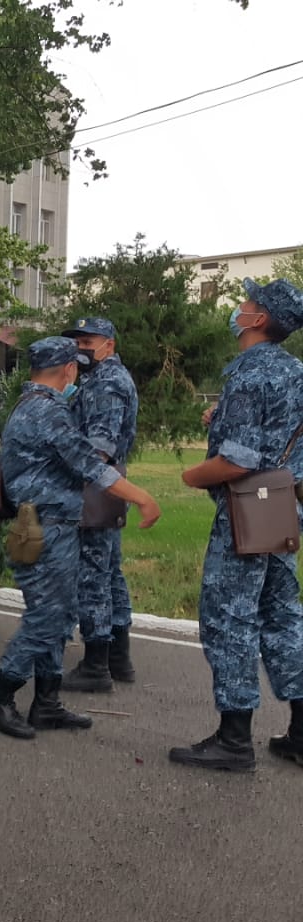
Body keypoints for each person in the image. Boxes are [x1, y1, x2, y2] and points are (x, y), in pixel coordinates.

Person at [0, 337, 160, 739]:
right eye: (75, 367)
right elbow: (89, 465)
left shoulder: (35, 407)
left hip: (53, 526)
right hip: (46, 529)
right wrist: (142, 498)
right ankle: (0, 697)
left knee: (60, 617)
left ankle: (47, 703)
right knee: (45, 619)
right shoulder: (47, 413)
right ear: (68, 370)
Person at [170, 278, 303, 772]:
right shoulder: (295, 371)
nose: (238, 309)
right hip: (285, 509)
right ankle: (300, 732)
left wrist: (191, 474)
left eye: (246, 303)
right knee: (283, 617)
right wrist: (221, 416)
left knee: (229, 618)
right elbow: (277, 433)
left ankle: (234, 739)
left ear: (260, 318)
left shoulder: (250, 374)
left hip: (247, 512)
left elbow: (238, 460)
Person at [59, 317, 141, 693]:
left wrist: (60, 463)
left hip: (95, 484)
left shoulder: (107, 383)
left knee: (93, 575)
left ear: (109, 343)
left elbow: (100, 450)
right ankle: (118, 657)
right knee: (109, 571)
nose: (81, 348)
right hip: (106, 485)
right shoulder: (98, 379)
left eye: (88, 341)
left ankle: (96, 665)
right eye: (77, 342)